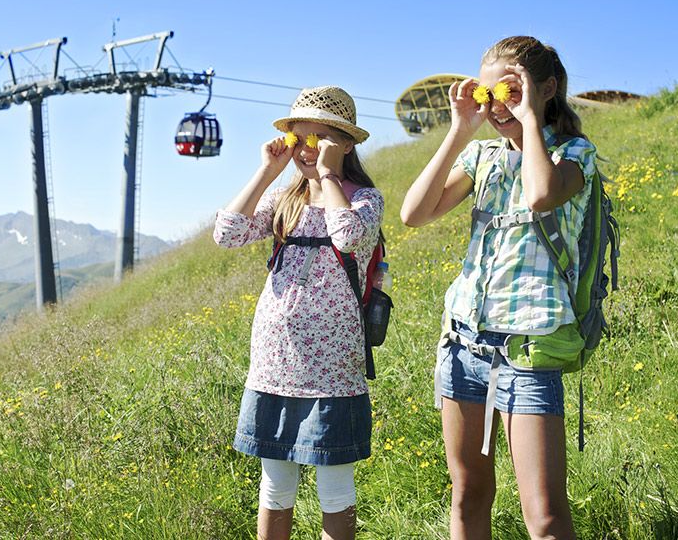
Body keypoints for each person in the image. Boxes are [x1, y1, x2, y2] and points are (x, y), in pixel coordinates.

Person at [401, 36, 596, 540]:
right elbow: (413, 214)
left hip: (527, 349)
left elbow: (539, 195)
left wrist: (529, 120)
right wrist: (459, 130)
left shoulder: (575, 154)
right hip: (463, 343)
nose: (497, 107)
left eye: (509, 92)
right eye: (488, 96)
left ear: (546, 89)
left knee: (546, 516)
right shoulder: (482, 156)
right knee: (467, 495)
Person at [213, 86, 384, 540]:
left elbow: (348, 237)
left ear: (346, 144)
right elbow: (226, 234)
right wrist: (267, 170)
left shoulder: (363, 199)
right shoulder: (284, 200)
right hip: (274, 363)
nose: (307, 151)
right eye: (299, 139)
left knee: (334, 487)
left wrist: (328, 178)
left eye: (320, 139)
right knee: (275, 487)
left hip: (332, 370)